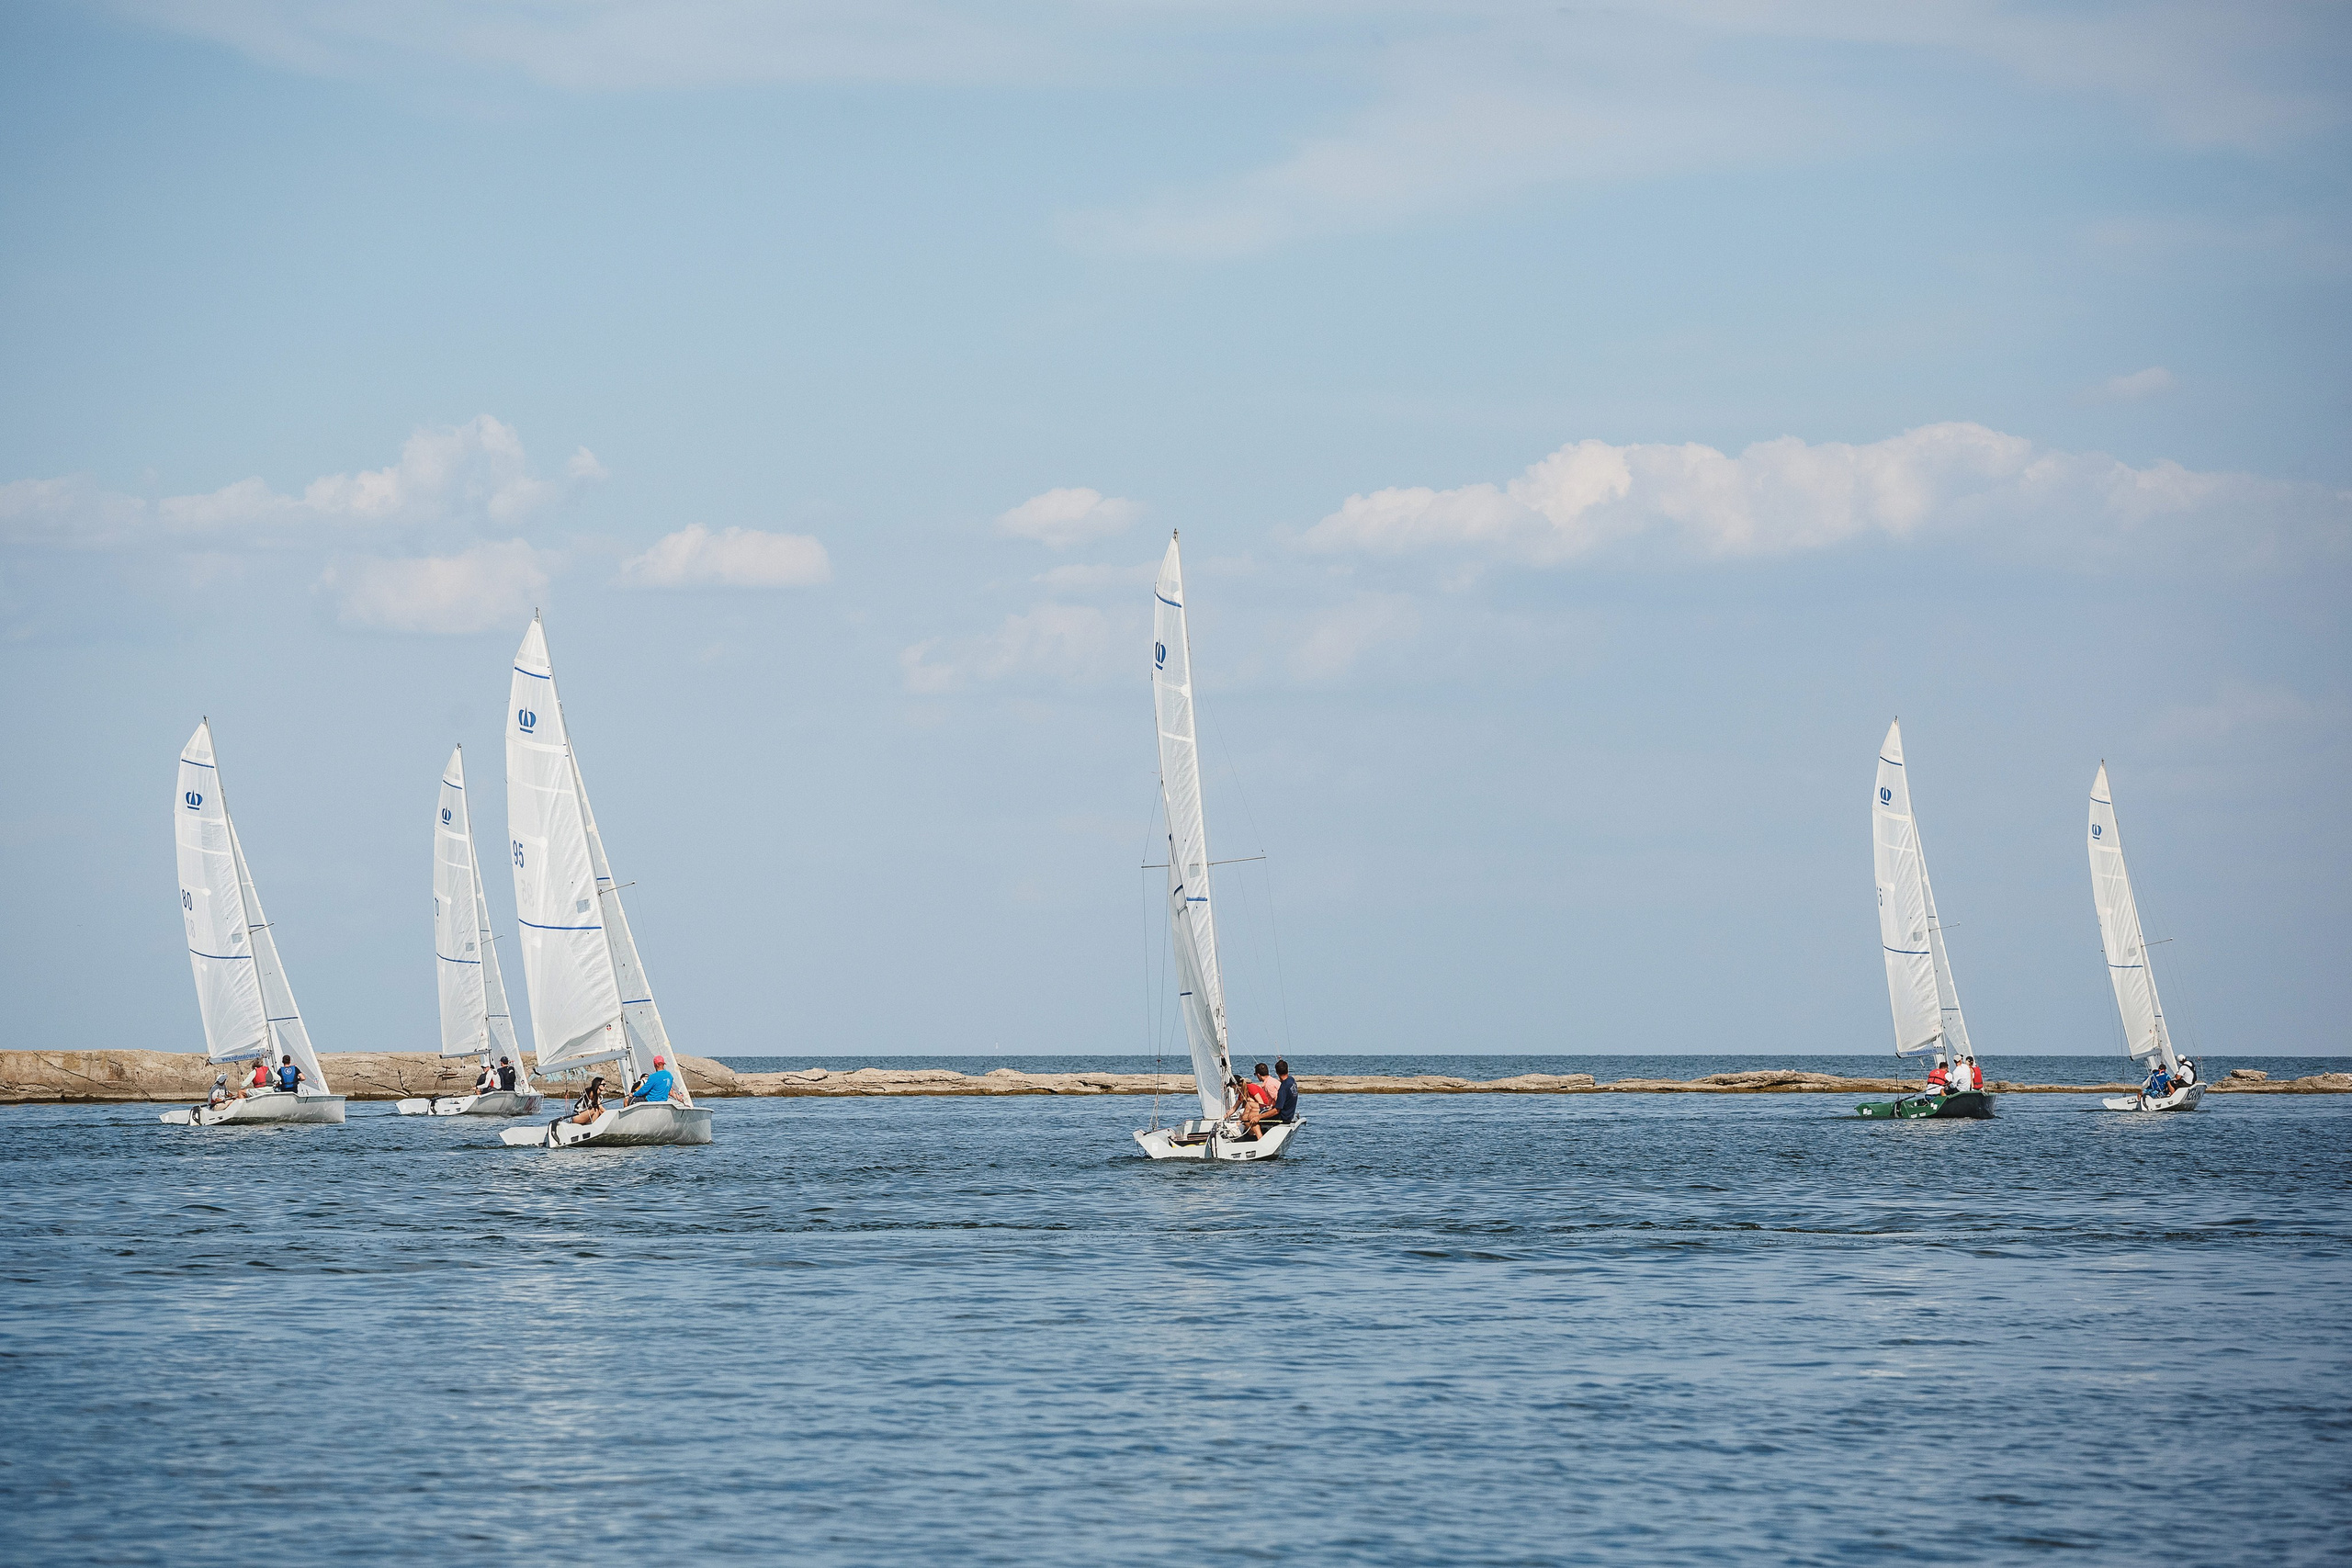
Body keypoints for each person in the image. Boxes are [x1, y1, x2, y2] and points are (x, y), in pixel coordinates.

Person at [1272, 1059, 1299, 1123]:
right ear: (1287, 1070)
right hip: (1290, 1114)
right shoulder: (1291, 1080)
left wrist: (1259, 1117)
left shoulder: (1283, 1088)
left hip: (1283, 1117)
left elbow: (1277, 1111)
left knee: (1254, 1114)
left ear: (1277, 1072)